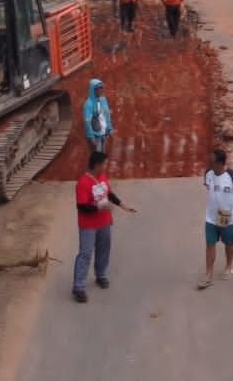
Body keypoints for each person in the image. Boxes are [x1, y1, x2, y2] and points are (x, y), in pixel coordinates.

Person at [72, 150, 136, 302]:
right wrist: (99, 208)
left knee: (103, 249)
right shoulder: (83, 183)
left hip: (104, 223)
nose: (107, 166)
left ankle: (101, 275)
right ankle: (78, 287)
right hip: (88, 225)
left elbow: (109, 194)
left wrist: (122, 205)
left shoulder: (101, 177)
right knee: (85, 254)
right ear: (97, 165)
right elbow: (81, 207)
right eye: (105, 164)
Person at [197, 148, 233, 289]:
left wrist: (230, 208)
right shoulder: (208, 174)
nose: (209, 164)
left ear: (219, 163)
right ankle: (208, 275)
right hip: (211, 217)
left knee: (228, 244)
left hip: (228, 218)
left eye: (211, 162)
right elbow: (209, 188)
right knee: (210, 244)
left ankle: (228, 267)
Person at [83, 78, 113, 154]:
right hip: (97, 135)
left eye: (101, 88)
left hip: (105, 131)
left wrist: (109, 127)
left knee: (104, 150)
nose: (101, 90)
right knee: (98, 152)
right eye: (98, 89)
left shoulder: (103, 99)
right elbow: (87, 122)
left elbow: (107, 114)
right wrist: (91, 136)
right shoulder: (88, 104)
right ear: (93, 90)